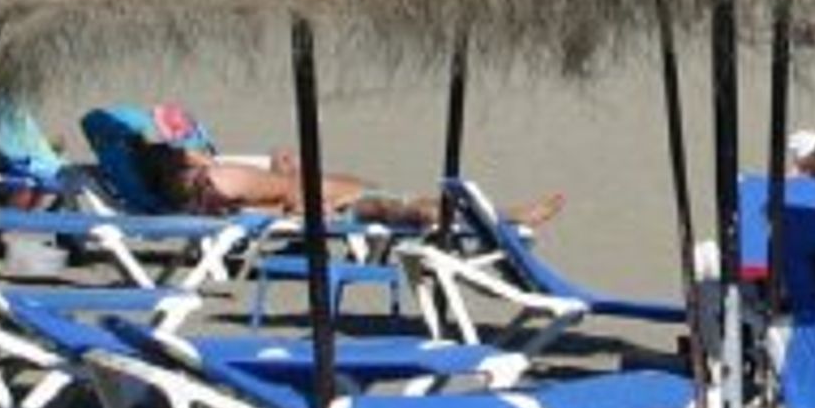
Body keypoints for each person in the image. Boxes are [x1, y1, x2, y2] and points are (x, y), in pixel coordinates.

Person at [127, 136, 555, 235]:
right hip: (332, 206)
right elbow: (264, 207)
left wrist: (283, 169)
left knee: (408, 204)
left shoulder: (210, 176)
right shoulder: (215, 178)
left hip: (328, 198)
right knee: (414, 210)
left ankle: (499, 217)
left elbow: (261, 200)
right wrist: (303, 207)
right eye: (184, 147)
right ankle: (505, 218)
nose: (196, 146)